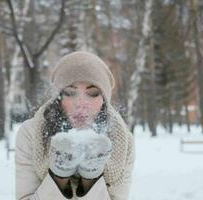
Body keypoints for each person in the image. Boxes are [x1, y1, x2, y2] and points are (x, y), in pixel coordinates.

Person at [15, 51, 135, 200]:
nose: (81, 104)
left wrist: (90, 180)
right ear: (58, 98)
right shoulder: (31, 133)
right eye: (70, 92)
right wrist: (59, 176)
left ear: (104, 99)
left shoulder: (123, 141)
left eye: (92, 93)